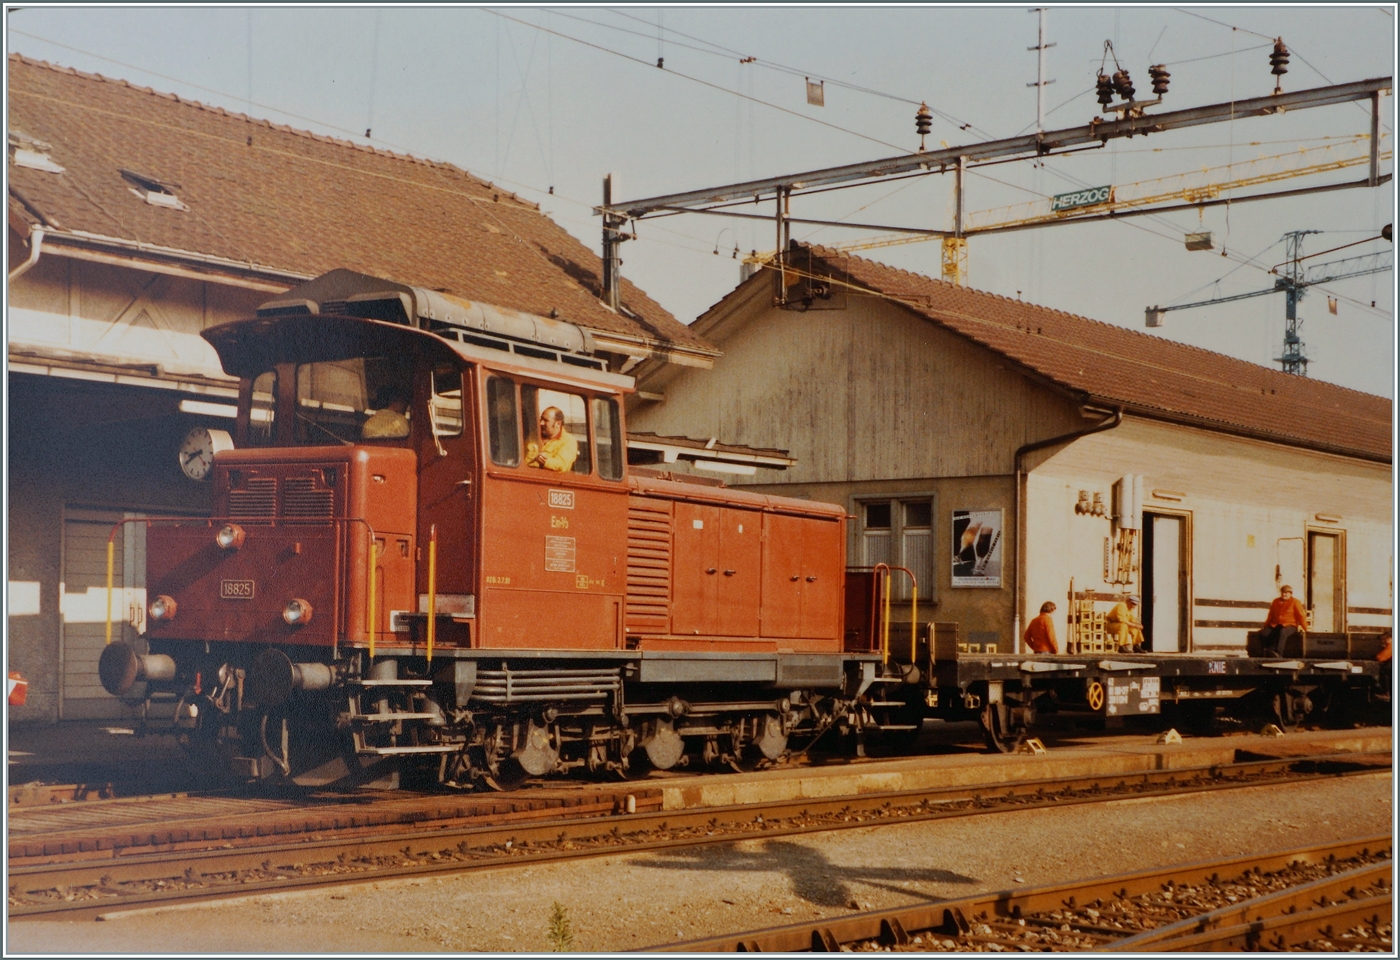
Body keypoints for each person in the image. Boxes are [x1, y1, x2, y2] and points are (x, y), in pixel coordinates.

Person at [1258, 584, 1308, 656]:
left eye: (1286, 593)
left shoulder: (1295, 602)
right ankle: (1267, 651)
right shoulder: (1276, 601)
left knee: (1283, 632)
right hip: (1276, 624)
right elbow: (1271, 615)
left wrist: (1305, 628)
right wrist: (1265, 625)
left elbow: (1301, 616)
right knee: (1264, 633)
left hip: (1290, 625)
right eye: (1283, 592)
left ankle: (1278, 653)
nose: (1284, 594)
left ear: (1290, 594)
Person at [525, 406, 578, 472]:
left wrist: (545, 461)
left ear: (558, 424)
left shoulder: (569, 441)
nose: (541, 423)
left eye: (546, 420)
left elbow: (562, 465)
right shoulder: (533, 436)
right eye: (541, 419)